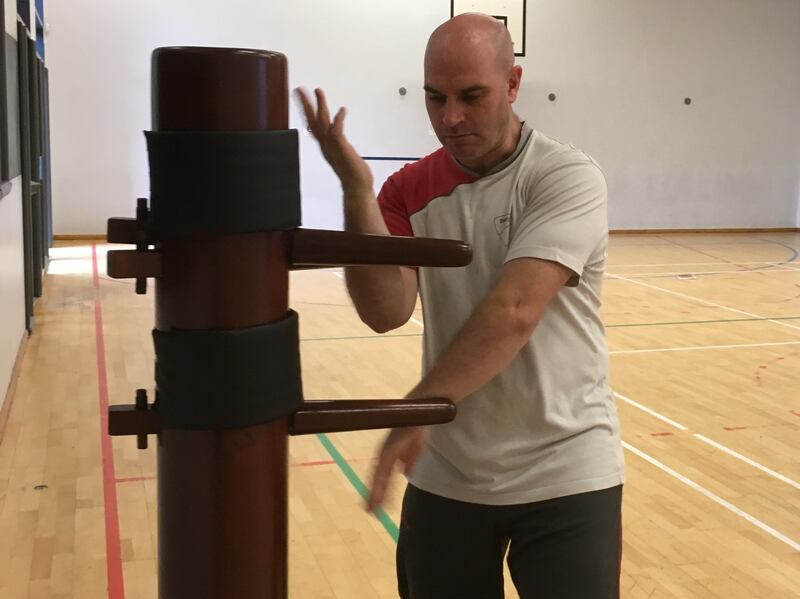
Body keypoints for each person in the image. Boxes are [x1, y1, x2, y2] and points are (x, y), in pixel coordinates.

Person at [297, 12, 624, 599]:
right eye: (435, 98)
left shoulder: (565, 177)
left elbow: (515, 310)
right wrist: (356, 190)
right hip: (449, 475)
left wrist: (414, 410)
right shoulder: (407, 190)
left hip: (567, 471)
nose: (450, 117)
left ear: (514, 84)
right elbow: (385, 310)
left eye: (471, 96)